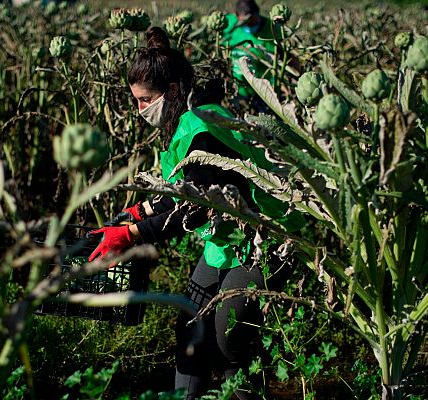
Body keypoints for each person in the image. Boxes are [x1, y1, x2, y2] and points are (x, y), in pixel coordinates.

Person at [88, 27, 302, 400]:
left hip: (265, 237)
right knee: (191, 328)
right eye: (135, 101)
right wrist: (139, 211)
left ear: (171, 91)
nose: (140, 110)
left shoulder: (201, 127)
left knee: (228, 337)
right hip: (227, 240)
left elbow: (197, 207)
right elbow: (183, 189)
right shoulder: (185, 120)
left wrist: (135, 234)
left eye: (144, 100)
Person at [222, 0, 279, 110]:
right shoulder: (228, 24)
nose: (249, 24)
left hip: (262, 92)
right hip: (235, 90)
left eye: (252, 20)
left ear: (258, 14)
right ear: (237, 16)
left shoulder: (272, 30)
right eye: (245, 21)